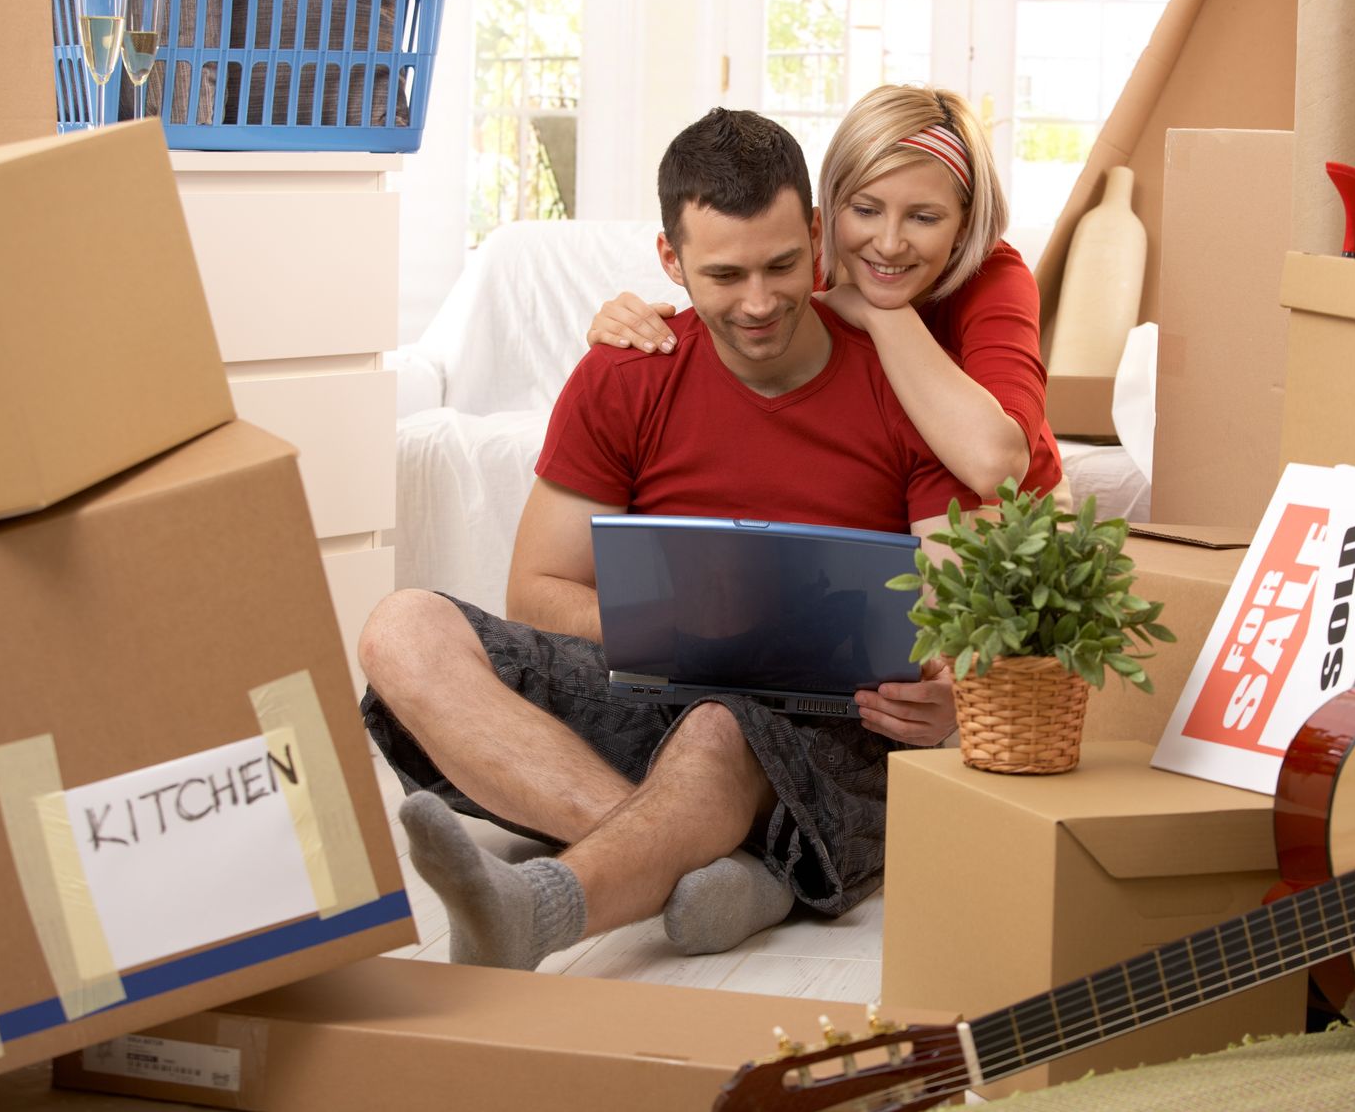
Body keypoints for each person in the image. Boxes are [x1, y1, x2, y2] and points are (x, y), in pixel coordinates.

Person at [357, 108, 979, 971]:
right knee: (402, 627)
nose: (757, 303)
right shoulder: (627, 371)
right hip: (651, 692)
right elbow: (536, 590)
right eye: (723, 274)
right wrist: (694, 634)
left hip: (830, 740)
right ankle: (717, 867)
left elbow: (958, 611)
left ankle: (541, 906)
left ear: (814, 236)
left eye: (781, 266)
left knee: (725, 725)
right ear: (669, 260)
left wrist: (952, 698)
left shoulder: (902, 386)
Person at [586, 84, 1067, 505]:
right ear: (827, 213)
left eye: (923, 217)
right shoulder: (803, 263)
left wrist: (881, 315)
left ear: (963, 227)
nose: (889, 243)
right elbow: (726, 307)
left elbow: (995, 469)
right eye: (865, 209)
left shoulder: (994, 278)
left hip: (1013, 512)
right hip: (902, 493)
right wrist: (628, 325)